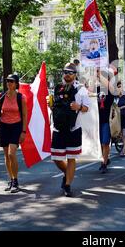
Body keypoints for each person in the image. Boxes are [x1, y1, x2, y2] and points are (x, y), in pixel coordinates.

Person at [48, 63, 90, 197]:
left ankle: (67, 185)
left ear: (75, 74)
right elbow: (54, 106)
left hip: (74, 128)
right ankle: (68, 173)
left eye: (70, 72)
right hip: (58, 128)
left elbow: (87, 108)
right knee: (55, 157)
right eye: (65, 71)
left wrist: (78, 106)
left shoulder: (81, 89)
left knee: (71, 157)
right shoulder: (57, 88)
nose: (67, 74)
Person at [0, 74, 27, 194]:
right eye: (7, 81)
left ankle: (15, 181)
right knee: (6, 155)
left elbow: (25, 115)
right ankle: (11, 179)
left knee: (11, 153)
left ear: (16, 84)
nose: (9, 83)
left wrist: (24, 131)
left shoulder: (21, 97)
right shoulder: (1, 96)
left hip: (16, 126)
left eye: (11, 81)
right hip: (4, 126)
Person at [97, 68, 115, 173]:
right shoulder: (96, 89)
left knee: (105, 142)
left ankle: (103, 163)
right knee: (100, 143)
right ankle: (105, 159)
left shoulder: (110, 89)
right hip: (97, 120)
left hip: (107, 120)